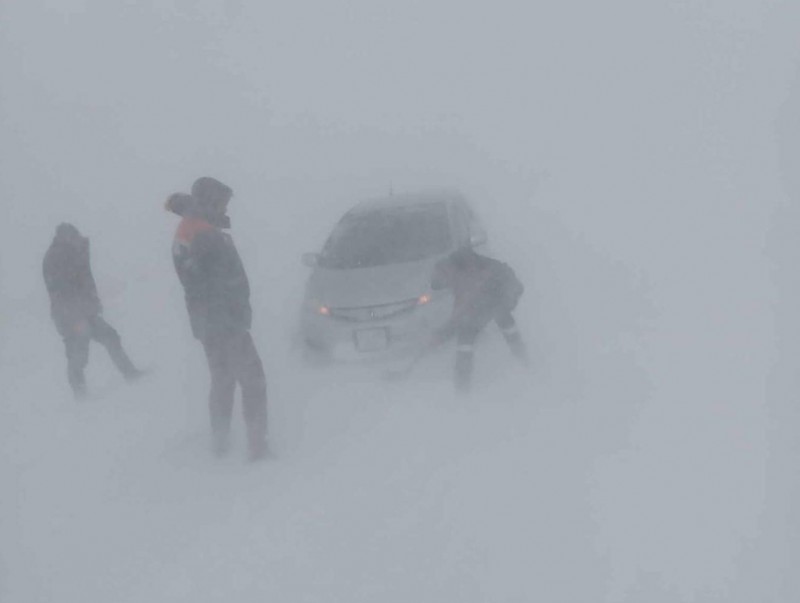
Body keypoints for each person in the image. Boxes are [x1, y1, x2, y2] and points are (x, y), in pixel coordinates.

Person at [165, 177, 268, 461]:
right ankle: (258, 447)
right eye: (222, 202)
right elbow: (215, 281)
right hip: (225, 321)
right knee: (253, 380)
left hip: (208, 322)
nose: (226, 208)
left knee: (222, 380)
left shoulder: (191, 227)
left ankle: (220, 442)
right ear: (210, 201)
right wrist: (236, 313)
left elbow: (197, 280)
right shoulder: (204, 233)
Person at [43, 223, 143, 397]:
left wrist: (91, 302)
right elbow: (62, 288)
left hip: (84, 310)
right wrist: (76, 311)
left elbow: (83, 280)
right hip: (69, 314)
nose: (75, 238)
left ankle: (129, 373)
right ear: (63, 237)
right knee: (78, 352)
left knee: (109, 337)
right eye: (71, 236)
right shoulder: (57, 257)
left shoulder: (73, 251)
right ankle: (81, 394)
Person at [430, 245, 528, 393]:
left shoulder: (469, 276)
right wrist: (442, 334)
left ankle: (527, 366)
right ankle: (462, 387)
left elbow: (460, 312)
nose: (445, 283)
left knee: (505, 330)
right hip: (488, 304)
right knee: (466, 343)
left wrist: (442, 334)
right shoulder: (459, 274)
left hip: (496, 302)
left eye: (443, 278)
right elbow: (458, 309)